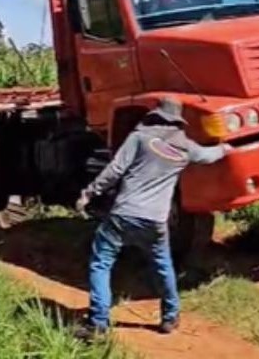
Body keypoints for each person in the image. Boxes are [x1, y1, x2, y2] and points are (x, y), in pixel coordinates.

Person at [75, 97, 232, 338]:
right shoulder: (185, 147)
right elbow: (208, 156)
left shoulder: (140, 137)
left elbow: (115, 170)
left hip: (123, 215)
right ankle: (170, 317)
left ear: (155, 116)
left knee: (101, 263)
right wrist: (226, 149)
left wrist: (89, 193)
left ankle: (98, 322)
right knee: (163, 266)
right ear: (177, 122)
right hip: (156, 220)